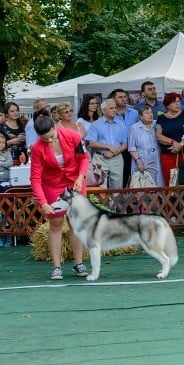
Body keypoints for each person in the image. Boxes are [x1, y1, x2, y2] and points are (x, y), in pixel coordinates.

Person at [30, 115, 89, 280]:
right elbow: (35, 178)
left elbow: (84, 158)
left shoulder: (73, 136)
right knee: (55, 223)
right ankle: (57, 266)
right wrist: (42, 202)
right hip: (52, 185)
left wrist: (80, 177)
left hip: (75, 182)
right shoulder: (37, 148)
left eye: (51, 136)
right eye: (44, 138)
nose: (49, 140)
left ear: (55, 127)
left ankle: (79, 264)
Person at [85, 99, 129, 189]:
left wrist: (113, 152)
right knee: (100, 187)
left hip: (117, 158)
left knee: (117, 187)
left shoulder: (121, 125)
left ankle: (114, 204)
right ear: (103, 110)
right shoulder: (96, 124)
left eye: (115, 108)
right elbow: (91, 143)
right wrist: (108, 147)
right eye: (111, 108)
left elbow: (125, 144)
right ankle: (103, 204)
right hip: (100, 158)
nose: (114, 110)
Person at [156, 92, 184, 186]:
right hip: (167, 155)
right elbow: (158, 136)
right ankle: (171, 201)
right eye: (174, 102)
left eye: (179, 101)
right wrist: (173, 142)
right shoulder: (161, 118)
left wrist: (181, 145)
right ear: (167, 105)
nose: (178, 104)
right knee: (170, 181)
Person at [128, 106, 161, 186]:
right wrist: (138, 161)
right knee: (142, 183)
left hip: (156, 158)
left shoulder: (157, 124)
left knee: (158, 182)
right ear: (140, 116)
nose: (150, 115)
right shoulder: (135, 128)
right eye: (146, 113)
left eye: (151, 112)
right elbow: (131, 147)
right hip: (141, 159)